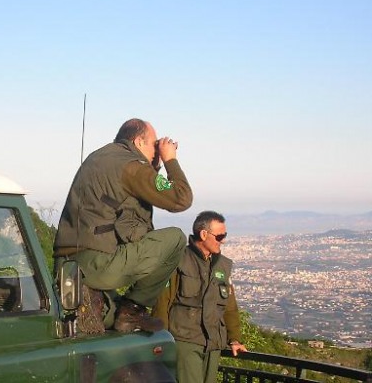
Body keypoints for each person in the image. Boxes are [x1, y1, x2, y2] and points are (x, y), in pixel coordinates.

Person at [54, 118, 193, 333]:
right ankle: (133, 311)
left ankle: (105, 305)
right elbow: (181, 198)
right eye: (154, 144)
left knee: (107, 318)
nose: (157, 150)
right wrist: (170, 160)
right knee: (176, 239)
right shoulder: (130, 166)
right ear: (138, 141)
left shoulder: (103, 157)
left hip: (67, 267)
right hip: (96, 265)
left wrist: (153, 165)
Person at [153, 210, 247, 382]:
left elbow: (229, 305)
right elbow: (162, 301)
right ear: (204, 234)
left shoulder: (223, 266)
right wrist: (161, 340)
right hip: (184, 340)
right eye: (219, 237)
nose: (223, 241)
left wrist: (234, 339)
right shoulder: (178, 260)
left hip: (213, 344)